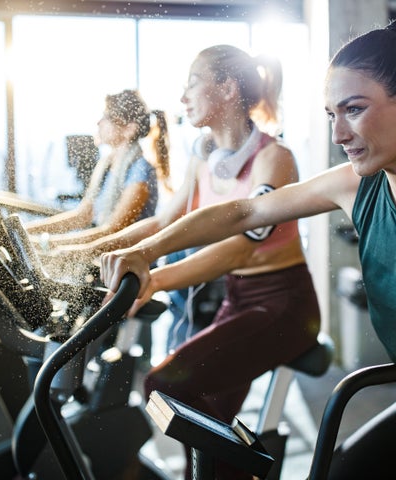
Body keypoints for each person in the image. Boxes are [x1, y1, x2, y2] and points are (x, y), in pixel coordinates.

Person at [100, 19, 396, 479]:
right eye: (331, 114)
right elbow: (245, 213)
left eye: (353, 109)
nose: (338, 134)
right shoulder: (357, 187)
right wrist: (148, 252)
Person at [73, 44, 321, 478]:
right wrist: (87, 252)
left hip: (284, 304)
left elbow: (242, 248)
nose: (183, 97)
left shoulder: (274, 159)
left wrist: (154, 279)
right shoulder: (204, 156)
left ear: (226, 88)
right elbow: (165, 223)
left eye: (192, 83)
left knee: (164, 387)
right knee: (209, 425)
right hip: (238, 299)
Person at [24, 89, 170, 249]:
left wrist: (43, 245)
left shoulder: (141, 170)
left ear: (129, 129)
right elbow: (82, 216)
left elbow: (112, 231)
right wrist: (25, 232)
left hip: (128, 269)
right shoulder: (106, 165)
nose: (99, 123)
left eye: (107, 117)